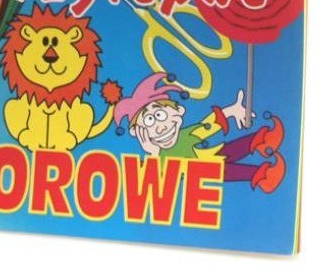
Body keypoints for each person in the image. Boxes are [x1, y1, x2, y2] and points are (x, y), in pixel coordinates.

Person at [114, 72, 285, 193]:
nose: (160, 127)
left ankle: (262, 140)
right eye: (149, 121)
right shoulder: (157, 158)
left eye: (160, 115)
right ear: (138, 132)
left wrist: (231, 111)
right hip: (200, 172)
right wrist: (153, 153)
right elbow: (153, 181)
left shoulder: (184, 135)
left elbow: (207, 126)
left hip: (208, 156)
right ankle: (262, 175)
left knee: (226, 151)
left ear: (179, 111)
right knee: (223, 169)